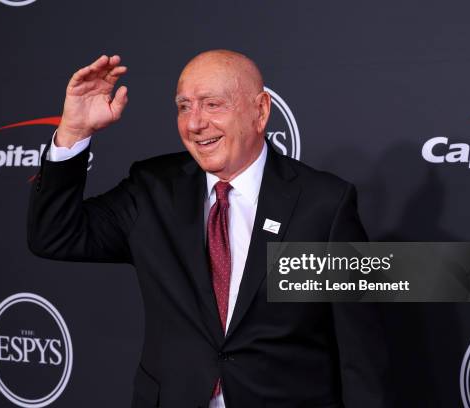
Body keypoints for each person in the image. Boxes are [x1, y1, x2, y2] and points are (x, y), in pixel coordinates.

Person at [28, 50, 392, 408]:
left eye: (212, 104)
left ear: (260, 111)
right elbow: (55, 235)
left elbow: (359, 352)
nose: (195, 123)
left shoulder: (323, 204)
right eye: (184, 106)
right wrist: (73, 131)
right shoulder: (152, 188)